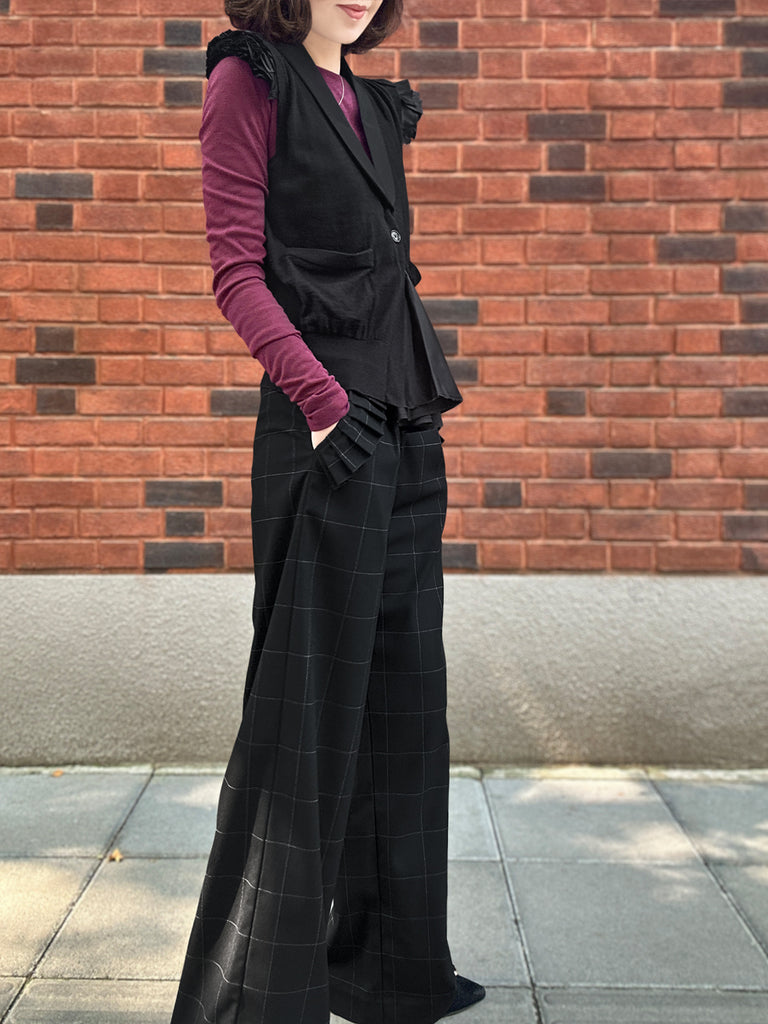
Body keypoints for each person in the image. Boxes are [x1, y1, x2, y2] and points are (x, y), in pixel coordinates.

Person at [170, 2, 486, 1022]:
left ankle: (390, 969)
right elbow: (235, 272)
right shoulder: (249, 80)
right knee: (305, 718)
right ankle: (256, 998)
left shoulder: (375, 104)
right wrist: (322, 402)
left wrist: (395, 407)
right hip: (326, 430)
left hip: (408, 420)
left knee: (405, 711)